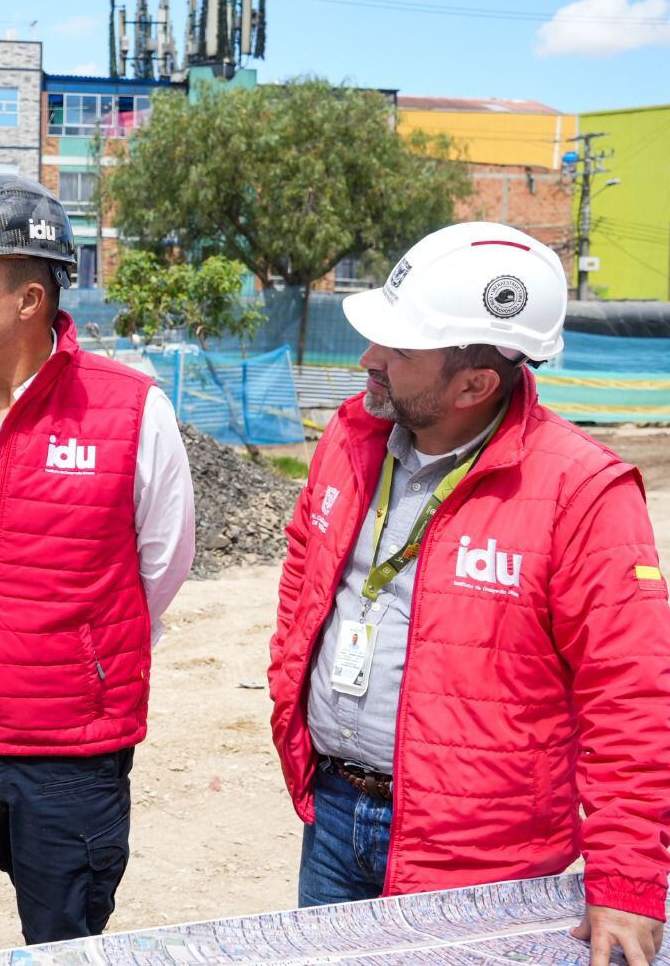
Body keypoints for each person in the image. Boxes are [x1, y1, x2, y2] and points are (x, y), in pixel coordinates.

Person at [268, 222, 670, 966]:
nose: (368, 360)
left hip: (481, 856)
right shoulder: (350, 437)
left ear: (476, 383)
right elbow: (305, 571)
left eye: (398, 350)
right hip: (334, 815)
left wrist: (627, 880)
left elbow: (633, 696)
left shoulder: (582, 493)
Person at [0, 175, 196, 964]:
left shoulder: (131, 411)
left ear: (28, 300)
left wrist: (70, 659)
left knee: (64, 954)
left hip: (68, 759)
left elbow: (162, 563)